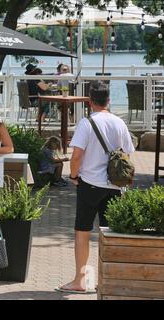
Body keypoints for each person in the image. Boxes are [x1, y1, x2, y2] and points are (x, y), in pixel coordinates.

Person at [56, 82, 135, 294]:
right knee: (108, 233)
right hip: (114, 186)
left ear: (90, 101)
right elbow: (128, 153)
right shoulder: (119, 123)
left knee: (82, 231)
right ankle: (105, 279)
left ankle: (80, 281)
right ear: (109, 100)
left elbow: (76, 157)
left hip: (89, 184)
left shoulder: (86, 123)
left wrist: (73, 176)